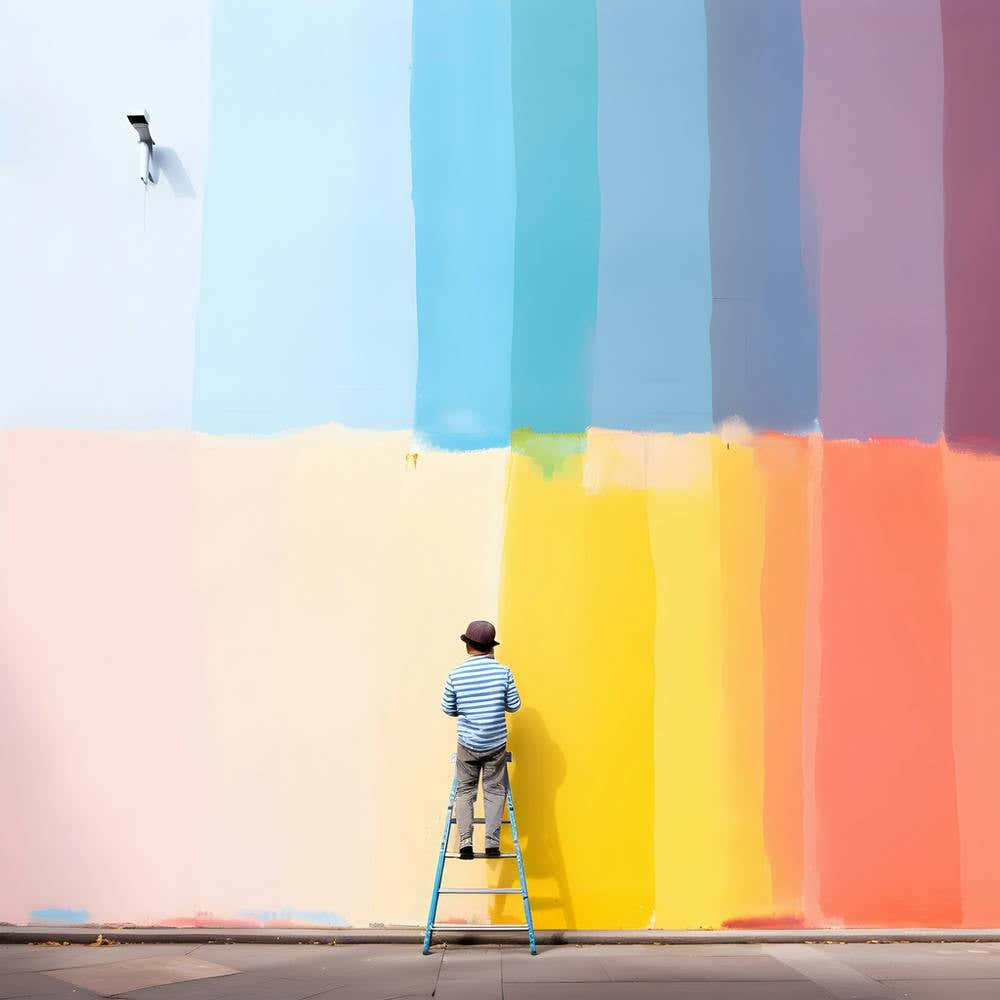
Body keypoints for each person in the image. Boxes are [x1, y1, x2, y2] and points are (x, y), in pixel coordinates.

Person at [440, 620, 521, 859]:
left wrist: (466, 709)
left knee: (465, 791)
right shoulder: (503, 672)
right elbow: (514, 706)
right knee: (495, 790)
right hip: (495, 742)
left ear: (468, 646)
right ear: (491, 648)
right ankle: (492, 843)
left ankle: (465, 843)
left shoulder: (456, 674)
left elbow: (448, 708)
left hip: (467, 742)